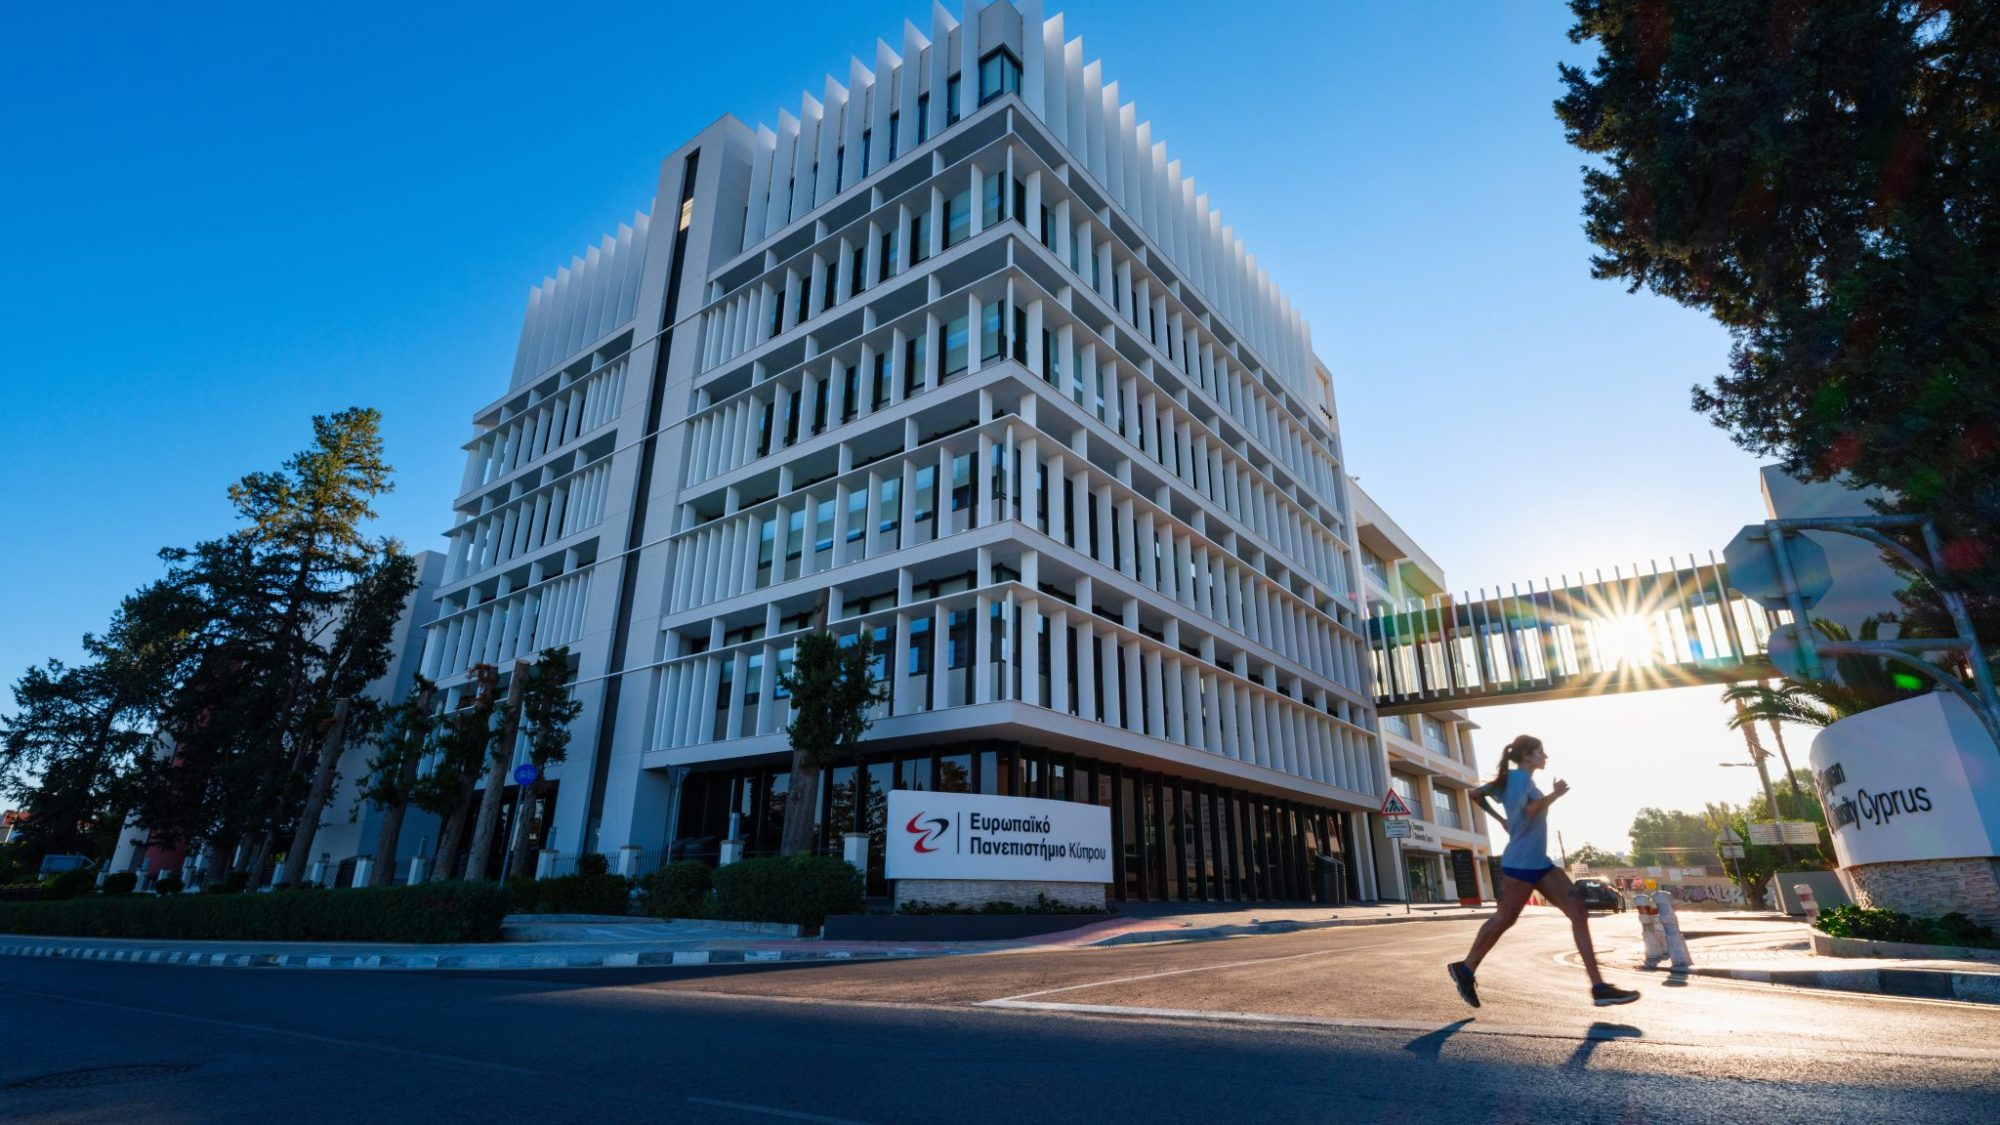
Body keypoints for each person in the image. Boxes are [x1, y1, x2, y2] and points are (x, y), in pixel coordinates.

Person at [1446, 734, 1639, 1008]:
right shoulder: (1518, 779)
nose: (1545, 756)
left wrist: (1502, 819)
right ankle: (1465, 969)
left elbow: (1476, 795)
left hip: (1539, 862)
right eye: (1540, 752)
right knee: (1504, 919)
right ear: (1528, 755)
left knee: (1578, 912)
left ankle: (1599, 988)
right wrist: (1555, 794)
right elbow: (1530, 809)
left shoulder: (1514, 780)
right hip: (1521, 863)